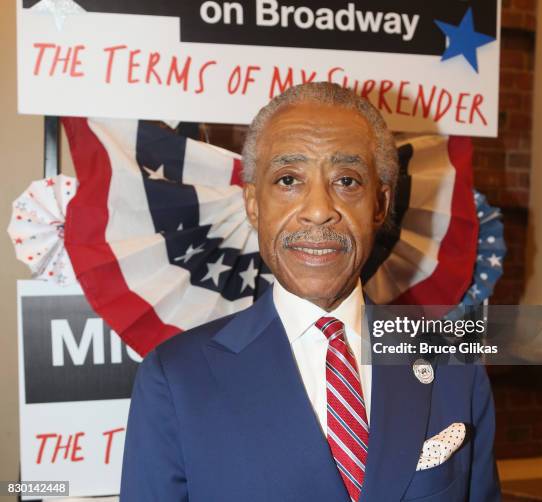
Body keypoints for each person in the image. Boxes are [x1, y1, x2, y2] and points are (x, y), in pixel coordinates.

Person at [120, 82, 500, 501]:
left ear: (380, 204)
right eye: (288, 179)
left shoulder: (452, 367)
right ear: (253, 204)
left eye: (347, 181)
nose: (319, 210)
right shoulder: (175, 380)